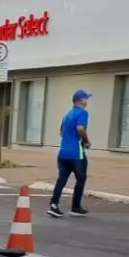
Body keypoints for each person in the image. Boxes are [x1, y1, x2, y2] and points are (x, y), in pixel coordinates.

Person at [48, 89, 91, 218]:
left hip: (62, 153)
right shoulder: (83, 113)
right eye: (86, 99)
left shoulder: (66, 114)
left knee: (61, 179)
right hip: (76, 153)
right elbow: (80, 128)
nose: (87, 102)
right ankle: (75, 207)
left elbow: (61, 132)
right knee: (81, 178)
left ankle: (54, 205)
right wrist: (86, 141)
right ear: (80, 100)